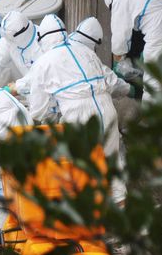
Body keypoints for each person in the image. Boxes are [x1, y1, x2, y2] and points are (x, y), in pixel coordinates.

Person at [24, 15, 126, 205]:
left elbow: (38, 110)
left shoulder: (44, 61)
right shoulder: (84, 50)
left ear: (42, 38)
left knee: (80, 166)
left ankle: (88, 224)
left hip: (79, 113)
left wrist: (51, 116)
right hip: (106, 107)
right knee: (111, 161)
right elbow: (109, 81)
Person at [103, 0, 162, 100]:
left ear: (110, 4)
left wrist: (118, 62)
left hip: (160, 23)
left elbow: (120, 37)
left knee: (153, 78)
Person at [69, 17, 136, 99]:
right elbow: (109, 80)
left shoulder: (66, 43)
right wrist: (130, 90)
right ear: (93, 41)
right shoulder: (85, 54)